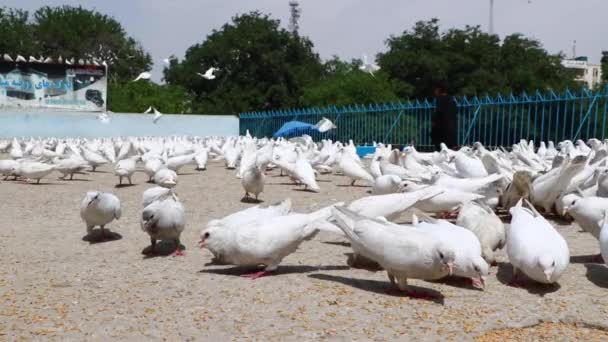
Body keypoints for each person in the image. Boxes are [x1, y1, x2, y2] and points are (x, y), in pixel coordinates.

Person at [431, 82, 458, 151]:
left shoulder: (440, 99)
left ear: (439, 90)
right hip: (452, 131)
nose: (434, 91)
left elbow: (438, 114)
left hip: (442, 131)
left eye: (435, 89)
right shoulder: (452, 99)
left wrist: (434, 122)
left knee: (441, 152)